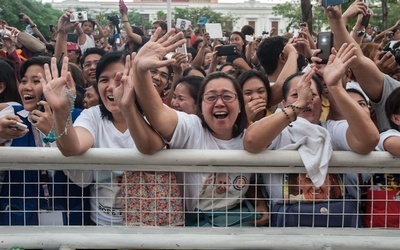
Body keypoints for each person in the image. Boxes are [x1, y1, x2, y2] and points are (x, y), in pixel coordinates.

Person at [132, 27, 269, 227]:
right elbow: (158, 114)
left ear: (240, 106)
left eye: (227, 97)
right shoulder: (192, 128)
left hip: (236, 226)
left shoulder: (251, 137)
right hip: (192, 228)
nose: (219, 103)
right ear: (200, 107)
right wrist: (140, 70)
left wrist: (258, 200)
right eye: (211, 97)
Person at [40, 51, 183, 226]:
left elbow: (150, 145)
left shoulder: (157, 115)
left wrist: (128, 108)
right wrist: (61, 113)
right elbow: (73, 147)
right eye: (103, 80)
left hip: (151, 227)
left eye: (119, 78)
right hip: (102, 225)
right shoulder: (92, 116)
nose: (110, 86)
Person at [244, 43, 379, 226]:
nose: (307, 99)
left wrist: (335, 87)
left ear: (321, 102)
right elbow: (251, 141)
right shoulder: (278, 130)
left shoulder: (330, 129)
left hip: (336, 223)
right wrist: (299, 104)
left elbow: (369, 140)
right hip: (288, 226)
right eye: (296, 94)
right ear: (284, 104)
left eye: (312, 95)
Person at [0, 56, 89, 226]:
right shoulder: (11, 117)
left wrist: (55, 132)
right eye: (24, 80)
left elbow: (83, 180)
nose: (26, 87)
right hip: (19, 219)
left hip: (70, 219)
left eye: (36, 81)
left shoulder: (79, 118)